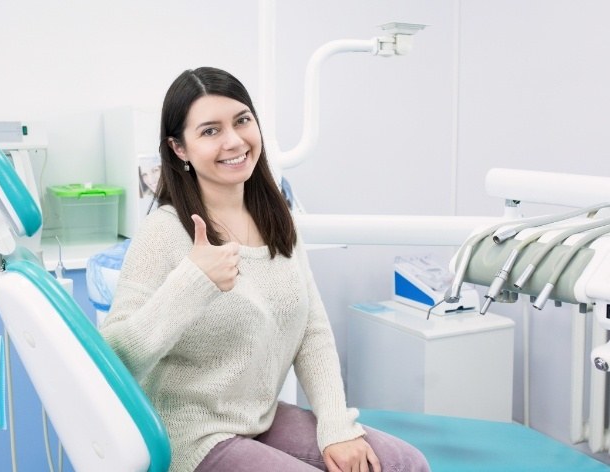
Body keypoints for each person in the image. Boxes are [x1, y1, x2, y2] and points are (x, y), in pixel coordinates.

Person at [100, 66, 430, 472]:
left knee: (403, 463)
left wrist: (335, 426)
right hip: (191, 437)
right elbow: (113, 357)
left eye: (242, 121)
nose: (234, 141)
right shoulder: (164, 233)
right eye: (210, 131)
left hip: (259, 419)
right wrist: (192, 282)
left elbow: (312, 331)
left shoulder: (277, 220)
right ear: (179, 148)